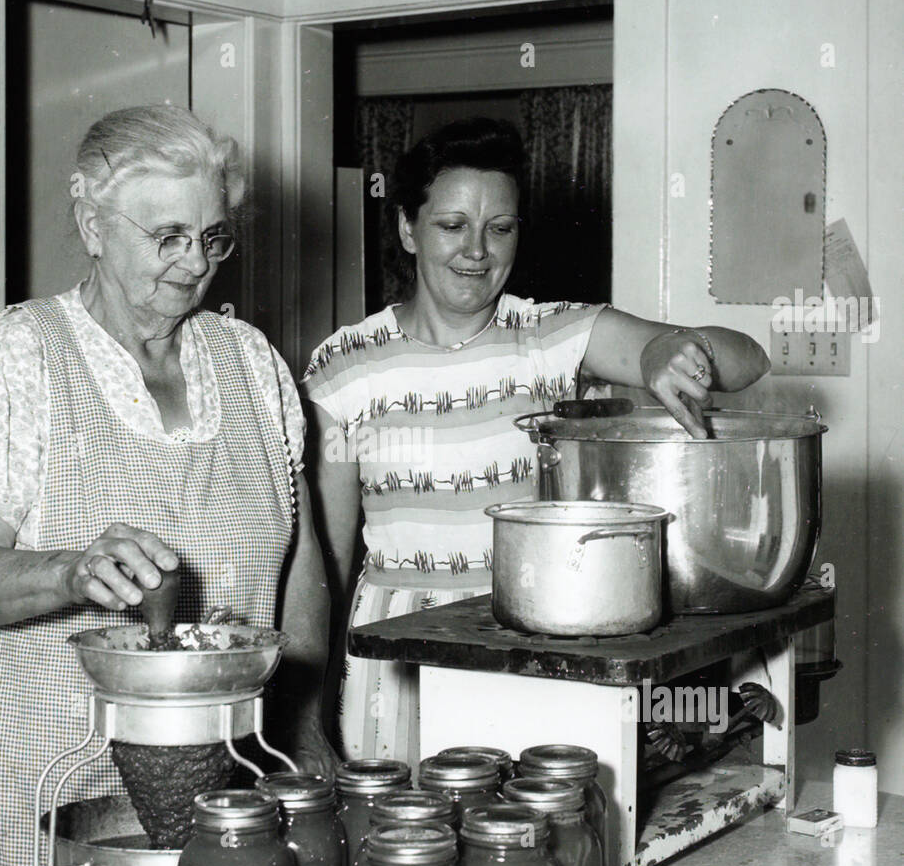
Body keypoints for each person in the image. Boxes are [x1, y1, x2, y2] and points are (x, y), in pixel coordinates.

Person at [0, 105, 333, 866]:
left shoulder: (252, 363)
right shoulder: (21, 355)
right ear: (92, 223)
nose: (194, 264)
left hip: (224, 774)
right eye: (167, 235)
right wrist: (69, 570)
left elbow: (300, 569)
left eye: (214, 237)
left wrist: (305, 730)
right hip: (49, 787)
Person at [303, 117, 769, 765]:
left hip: (528, 627)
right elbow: (324, 561)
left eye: (500, 227)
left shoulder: (549, 336)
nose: (477, 250)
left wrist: (668, 350)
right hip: (394, 650)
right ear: (407, 229)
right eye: (451, 225)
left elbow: (749, 359)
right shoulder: (344, 364)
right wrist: (309, 715)